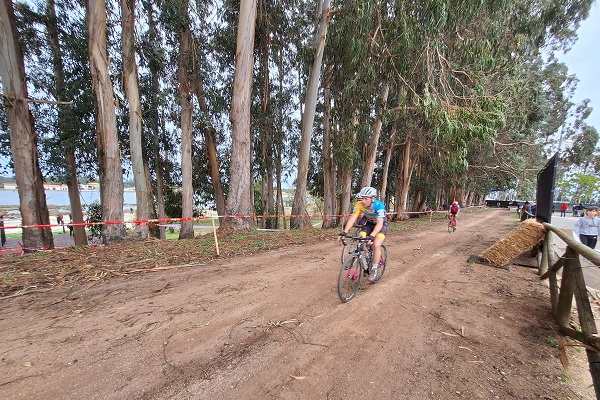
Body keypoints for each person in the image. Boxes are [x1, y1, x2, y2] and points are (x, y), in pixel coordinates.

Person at [338, 186, 387, 282]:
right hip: (369, 224)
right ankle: (367, 256)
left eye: (366, 199)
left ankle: (374, 268)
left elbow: (380, 223)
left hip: (380, 225)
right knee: (361, 240)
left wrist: (372, 236)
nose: (363, 201)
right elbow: (353, 218)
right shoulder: (359, 204)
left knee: (376, 245)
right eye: (362, 198)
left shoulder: (379, 205)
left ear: (372, 199)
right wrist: (344, 232)